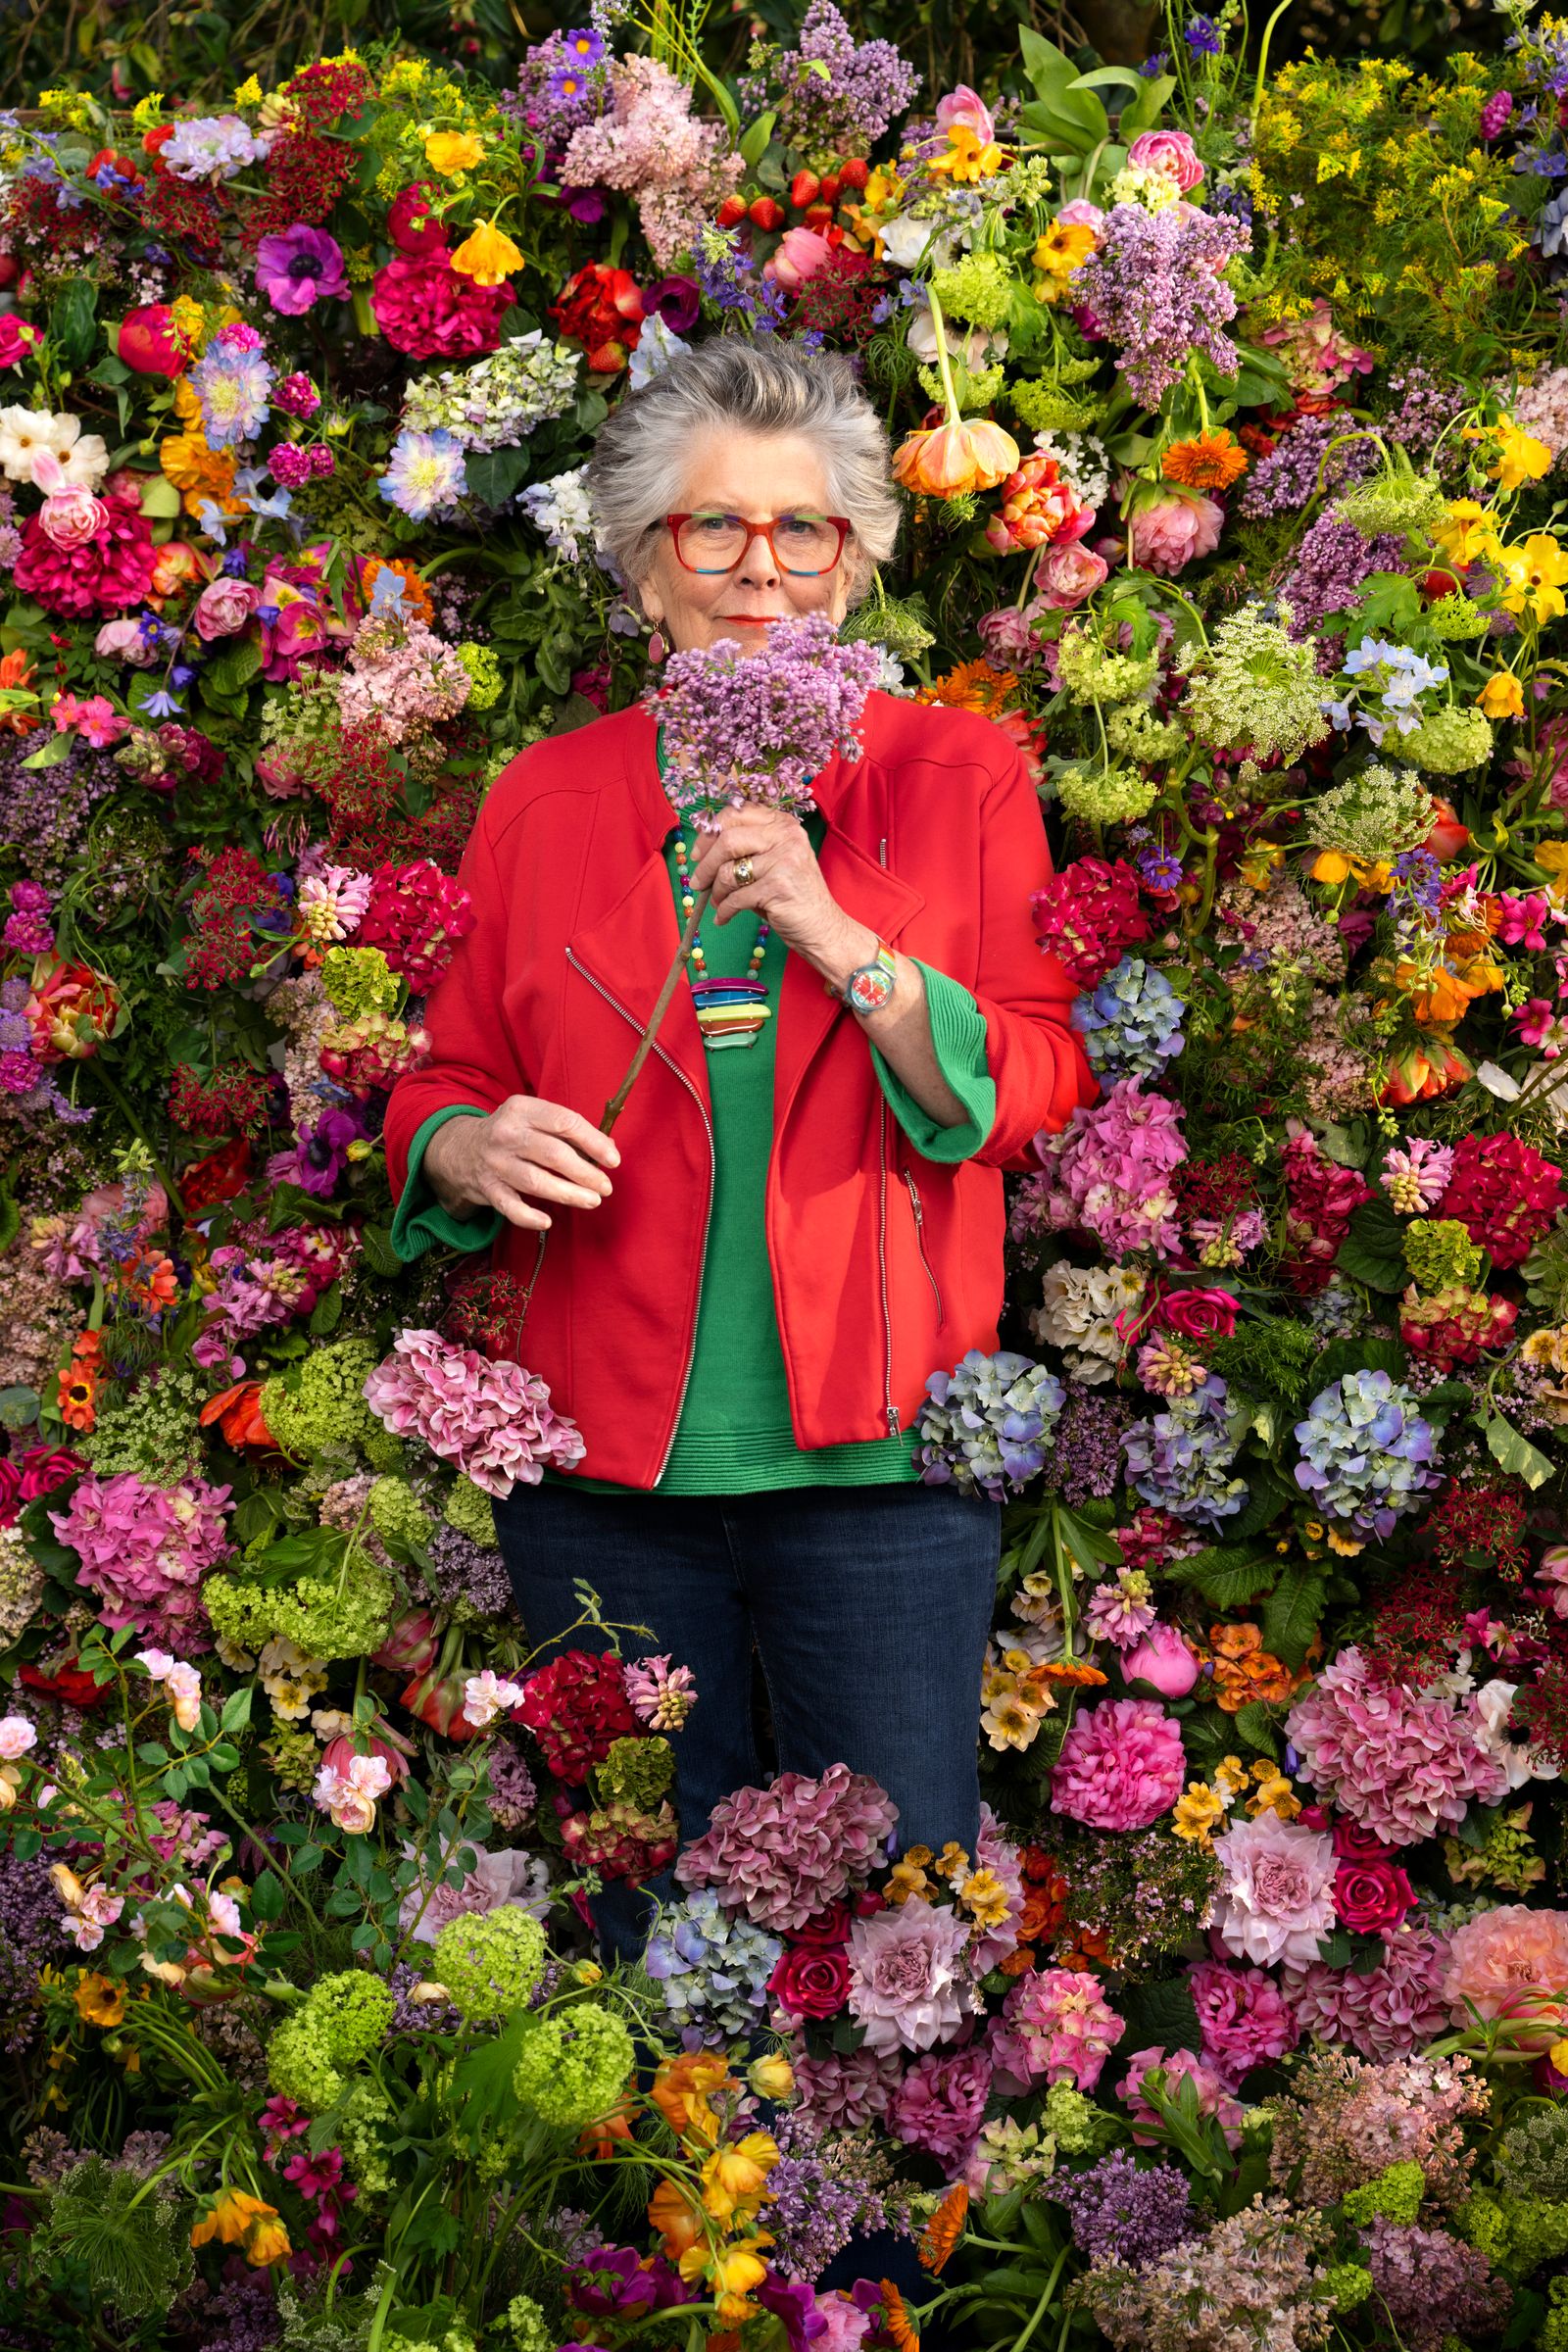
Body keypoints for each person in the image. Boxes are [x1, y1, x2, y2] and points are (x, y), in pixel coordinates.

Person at [385, 336, 1094, 1956]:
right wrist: (465, 1147)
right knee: (633, 1933)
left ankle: (858, 2232)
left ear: (857, 558)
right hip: (599, 1479)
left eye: (804, 529)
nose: (759, 570)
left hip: (889, 1464)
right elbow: (440, 1077)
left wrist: (840, 935)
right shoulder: (547, 798)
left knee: (899, 1936)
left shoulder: (958, 773)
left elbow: (1038, 1076)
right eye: (713, 530)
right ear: (648, 571)